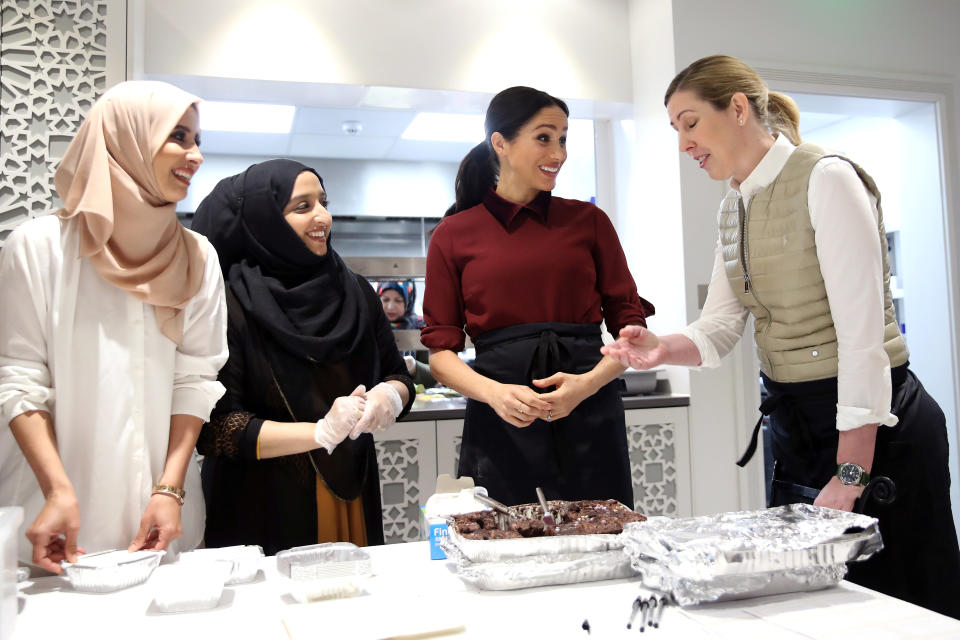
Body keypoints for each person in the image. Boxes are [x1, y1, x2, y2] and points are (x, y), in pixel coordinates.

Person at [602, 54, 960, 618]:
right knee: (811, 608)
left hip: (874, 432)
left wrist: (851, 473)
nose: (683, 144)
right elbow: (721, 327)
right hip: (800, 428)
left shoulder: (827, 178)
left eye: (690, 122)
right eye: (676, 129)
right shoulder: (734, 205)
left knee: (899, 608)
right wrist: (662, 347)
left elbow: (862, 340)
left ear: (738, 108)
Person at [0, 81, 228, 573]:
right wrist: (57, 489)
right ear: (126, 139)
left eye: (197, 141)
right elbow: (20, 381)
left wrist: (170, 488)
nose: (195, 156)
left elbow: (194, 382)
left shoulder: (198, 258)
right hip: (53, 518)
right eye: (179, 137)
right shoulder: (38, 248)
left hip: (159, 518)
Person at [422, 86, 654, 508]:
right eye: (544, 137)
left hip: (590, 412)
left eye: (564, 138)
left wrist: (584, 387)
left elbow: (631, 330)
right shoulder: (453, 234)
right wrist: (495, 394)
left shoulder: (590, 222)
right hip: (503, 420)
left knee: (604, 540)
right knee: (506, 546)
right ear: (501, 143)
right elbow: (441, 354)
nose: (559, 153)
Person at [191, 159, 415, 554]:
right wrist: (318, 433)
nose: (323, 216)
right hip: (262, 502)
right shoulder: (231, 302)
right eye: (303, 206)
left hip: (352, 486)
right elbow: (216, 428)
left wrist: (390, 396)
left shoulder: (356, 292)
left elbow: (398, 374)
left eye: (323, 202)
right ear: (265, 222)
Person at [378, 281, 436, 388]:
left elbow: (437, 376)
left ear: (409, 300)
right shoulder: (371, 326)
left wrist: (414, 367)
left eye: (398, 300)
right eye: (385, 300)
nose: (390, 307)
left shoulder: (421, 327)